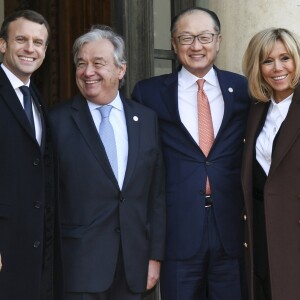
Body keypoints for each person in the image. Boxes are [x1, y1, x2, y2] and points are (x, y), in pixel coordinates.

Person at [132, 7, 251, 300]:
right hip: (178, 231)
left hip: (230, 229)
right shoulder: (148, 94)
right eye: (186, 38)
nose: (196, 46)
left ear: (219, 40)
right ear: (173, 44)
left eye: (204, 37)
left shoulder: (243, 89)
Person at [49, 25, 166, 300]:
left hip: (133, 267)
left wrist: (155, 256)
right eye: (81, 64)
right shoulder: (56, 121)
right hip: (78, 268)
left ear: (120, 70)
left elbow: (156, 194)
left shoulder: (146, 119)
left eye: (98, 63)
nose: (88, 72)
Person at [0, 9, 62, 300]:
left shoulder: (36, 98)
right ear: (2, 44)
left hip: (35, 249)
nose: (30, 48)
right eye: (21, 39)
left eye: (38, 42)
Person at [242, 27, 300, 300]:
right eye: (267, 60)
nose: (278, 68)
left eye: (285, 58)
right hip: (262, 235)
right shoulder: (256, 109)